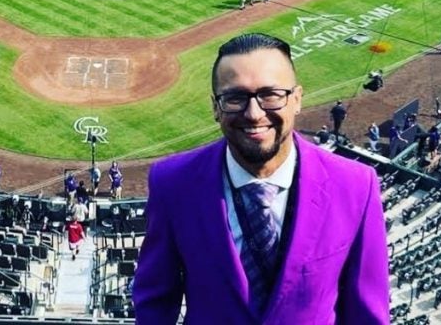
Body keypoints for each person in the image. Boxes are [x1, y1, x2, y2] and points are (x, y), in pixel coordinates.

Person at [132, 33, 389, 324]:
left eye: (271, 95)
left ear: (297, 99)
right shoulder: (172, 183)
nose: (254, 113)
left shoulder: (356, 186)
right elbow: (154, 301)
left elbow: (367, 313)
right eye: (235, 97)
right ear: (216, 107)